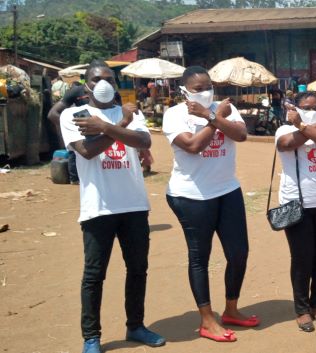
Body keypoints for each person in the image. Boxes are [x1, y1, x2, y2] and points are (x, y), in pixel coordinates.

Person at [59, 61, 165, 353]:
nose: (103, 84)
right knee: (94, 274)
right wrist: (119, 127)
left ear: (116, 84)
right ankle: (91, 336)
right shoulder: (74, 114)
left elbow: (143, 140)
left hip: (133, 205)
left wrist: (107, 126)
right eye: (96, 79)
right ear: (86, 84)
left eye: (109, 79)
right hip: (98, 207)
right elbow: (88, 151)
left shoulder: (128, 112)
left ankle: (136, 325)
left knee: (138, 269)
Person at [162, 66, 257, 343]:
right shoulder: (174, 115)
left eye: (208, 86)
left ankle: (230, 309)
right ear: (183, 91)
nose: (205, 91)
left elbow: (240, 135)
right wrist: (213, 119)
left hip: (227, 190)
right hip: (191, 195)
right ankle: (207, 319)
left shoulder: (223, 108)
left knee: (239, 253)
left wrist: (210, 115)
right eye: (198, 88)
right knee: (199, 256)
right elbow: (192, 146)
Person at [275, 91, 316, 332]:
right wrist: (312, 125)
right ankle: (302, 309)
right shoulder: (284, 130)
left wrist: (307, 125)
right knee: (302, 258)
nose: (311, 110)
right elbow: (287, 145)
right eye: (306, 107)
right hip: (296, 204)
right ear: (295, 108)